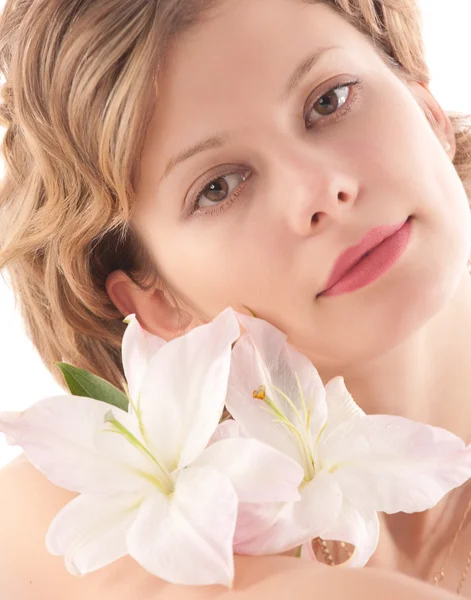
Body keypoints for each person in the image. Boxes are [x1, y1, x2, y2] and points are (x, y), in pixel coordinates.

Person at [0, 0, 471, 598]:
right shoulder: (52, 523)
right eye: (219, 186)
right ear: (157, 303)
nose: (321, 190)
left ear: (425, 106)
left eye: (329, 100)